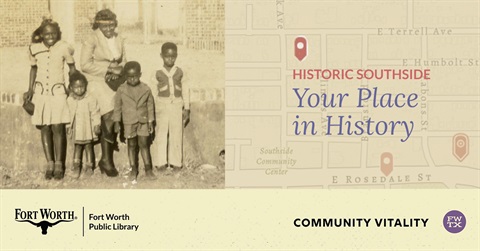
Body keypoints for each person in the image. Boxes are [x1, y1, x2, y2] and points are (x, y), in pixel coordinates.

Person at [24, 19, 76, 180]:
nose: (50, 36)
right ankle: (50, 163)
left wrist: (71, 87)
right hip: (40, 93)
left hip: (58, 92)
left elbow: (72, 69)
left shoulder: (64, 47)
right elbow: (33, 70)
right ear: (41, 35)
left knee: (58, 127)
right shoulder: (34, 49)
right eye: (47, 34)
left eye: (53, 33)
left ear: (58, 34)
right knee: (45, 127)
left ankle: (59, 163)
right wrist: (30, 90)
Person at [80, 9, 126, 177]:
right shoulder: (92, 39)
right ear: (98, 24)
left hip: (116, 80)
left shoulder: (119, 39)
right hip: (96, 80)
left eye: (111, 25)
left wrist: (120, 71)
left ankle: (106, 159)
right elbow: (84, 65)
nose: (108, 29)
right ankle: (106, 159)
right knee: (110, 113)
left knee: (121, 108)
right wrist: (108, 69)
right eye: (104, 26)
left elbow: (124, 61)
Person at [113, 61, 155, 180]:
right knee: (131, 145)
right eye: (129, 77)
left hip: (143, 121)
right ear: (125, 76)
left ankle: (148, 169)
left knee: (144, 144)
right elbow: (117, 107)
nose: (132, 79)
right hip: (129, 122)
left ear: (140, 74)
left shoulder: (146, 89)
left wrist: (151, 121)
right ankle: (133, 169)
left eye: (135, 76)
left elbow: (150, 106)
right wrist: (117, 122)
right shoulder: (121, 90)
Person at [153, 42, 190, 171]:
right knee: (162, 133)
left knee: (176, 134)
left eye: (173, 56)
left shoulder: (180, 71)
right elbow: (153, 92)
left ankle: (176, 163)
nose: (170, 59)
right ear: (161, 56)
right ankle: (161, 162)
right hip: (162, 106)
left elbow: (185, 90)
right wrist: (152, 109)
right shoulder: (157, 72)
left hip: (176, 106)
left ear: (176, 56)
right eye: (167, 56)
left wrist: (187, 107)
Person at [66, 72, 101, 178]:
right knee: (77, 147)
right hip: (77, 129)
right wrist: (68, 127)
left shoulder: (90, 98)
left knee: (88, 147)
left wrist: (97, 124)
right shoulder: (70, 100)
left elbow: (95, 112)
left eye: (82, 86)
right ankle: (76, 167)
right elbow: (68, 114)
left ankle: (89, 167)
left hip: (87, 129)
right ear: (71, 87)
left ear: (85, 86)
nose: (79, 89)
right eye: (76, 87)